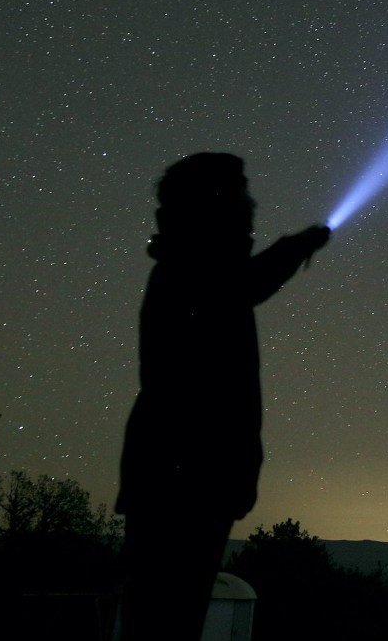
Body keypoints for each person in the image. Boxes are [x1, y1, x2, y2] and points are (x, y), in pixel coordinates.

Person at [115, 152, 330, 640]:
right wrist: (296, 247)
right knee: (164, 618)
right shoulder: (190, 273)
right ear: (214, 204)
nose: (250, 205)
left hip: (183, 476)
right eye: (240, 194)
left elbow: (237, 285)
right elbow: (237, 286)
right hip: (182, 478)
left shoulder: (185, 269)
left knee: (166, 617)